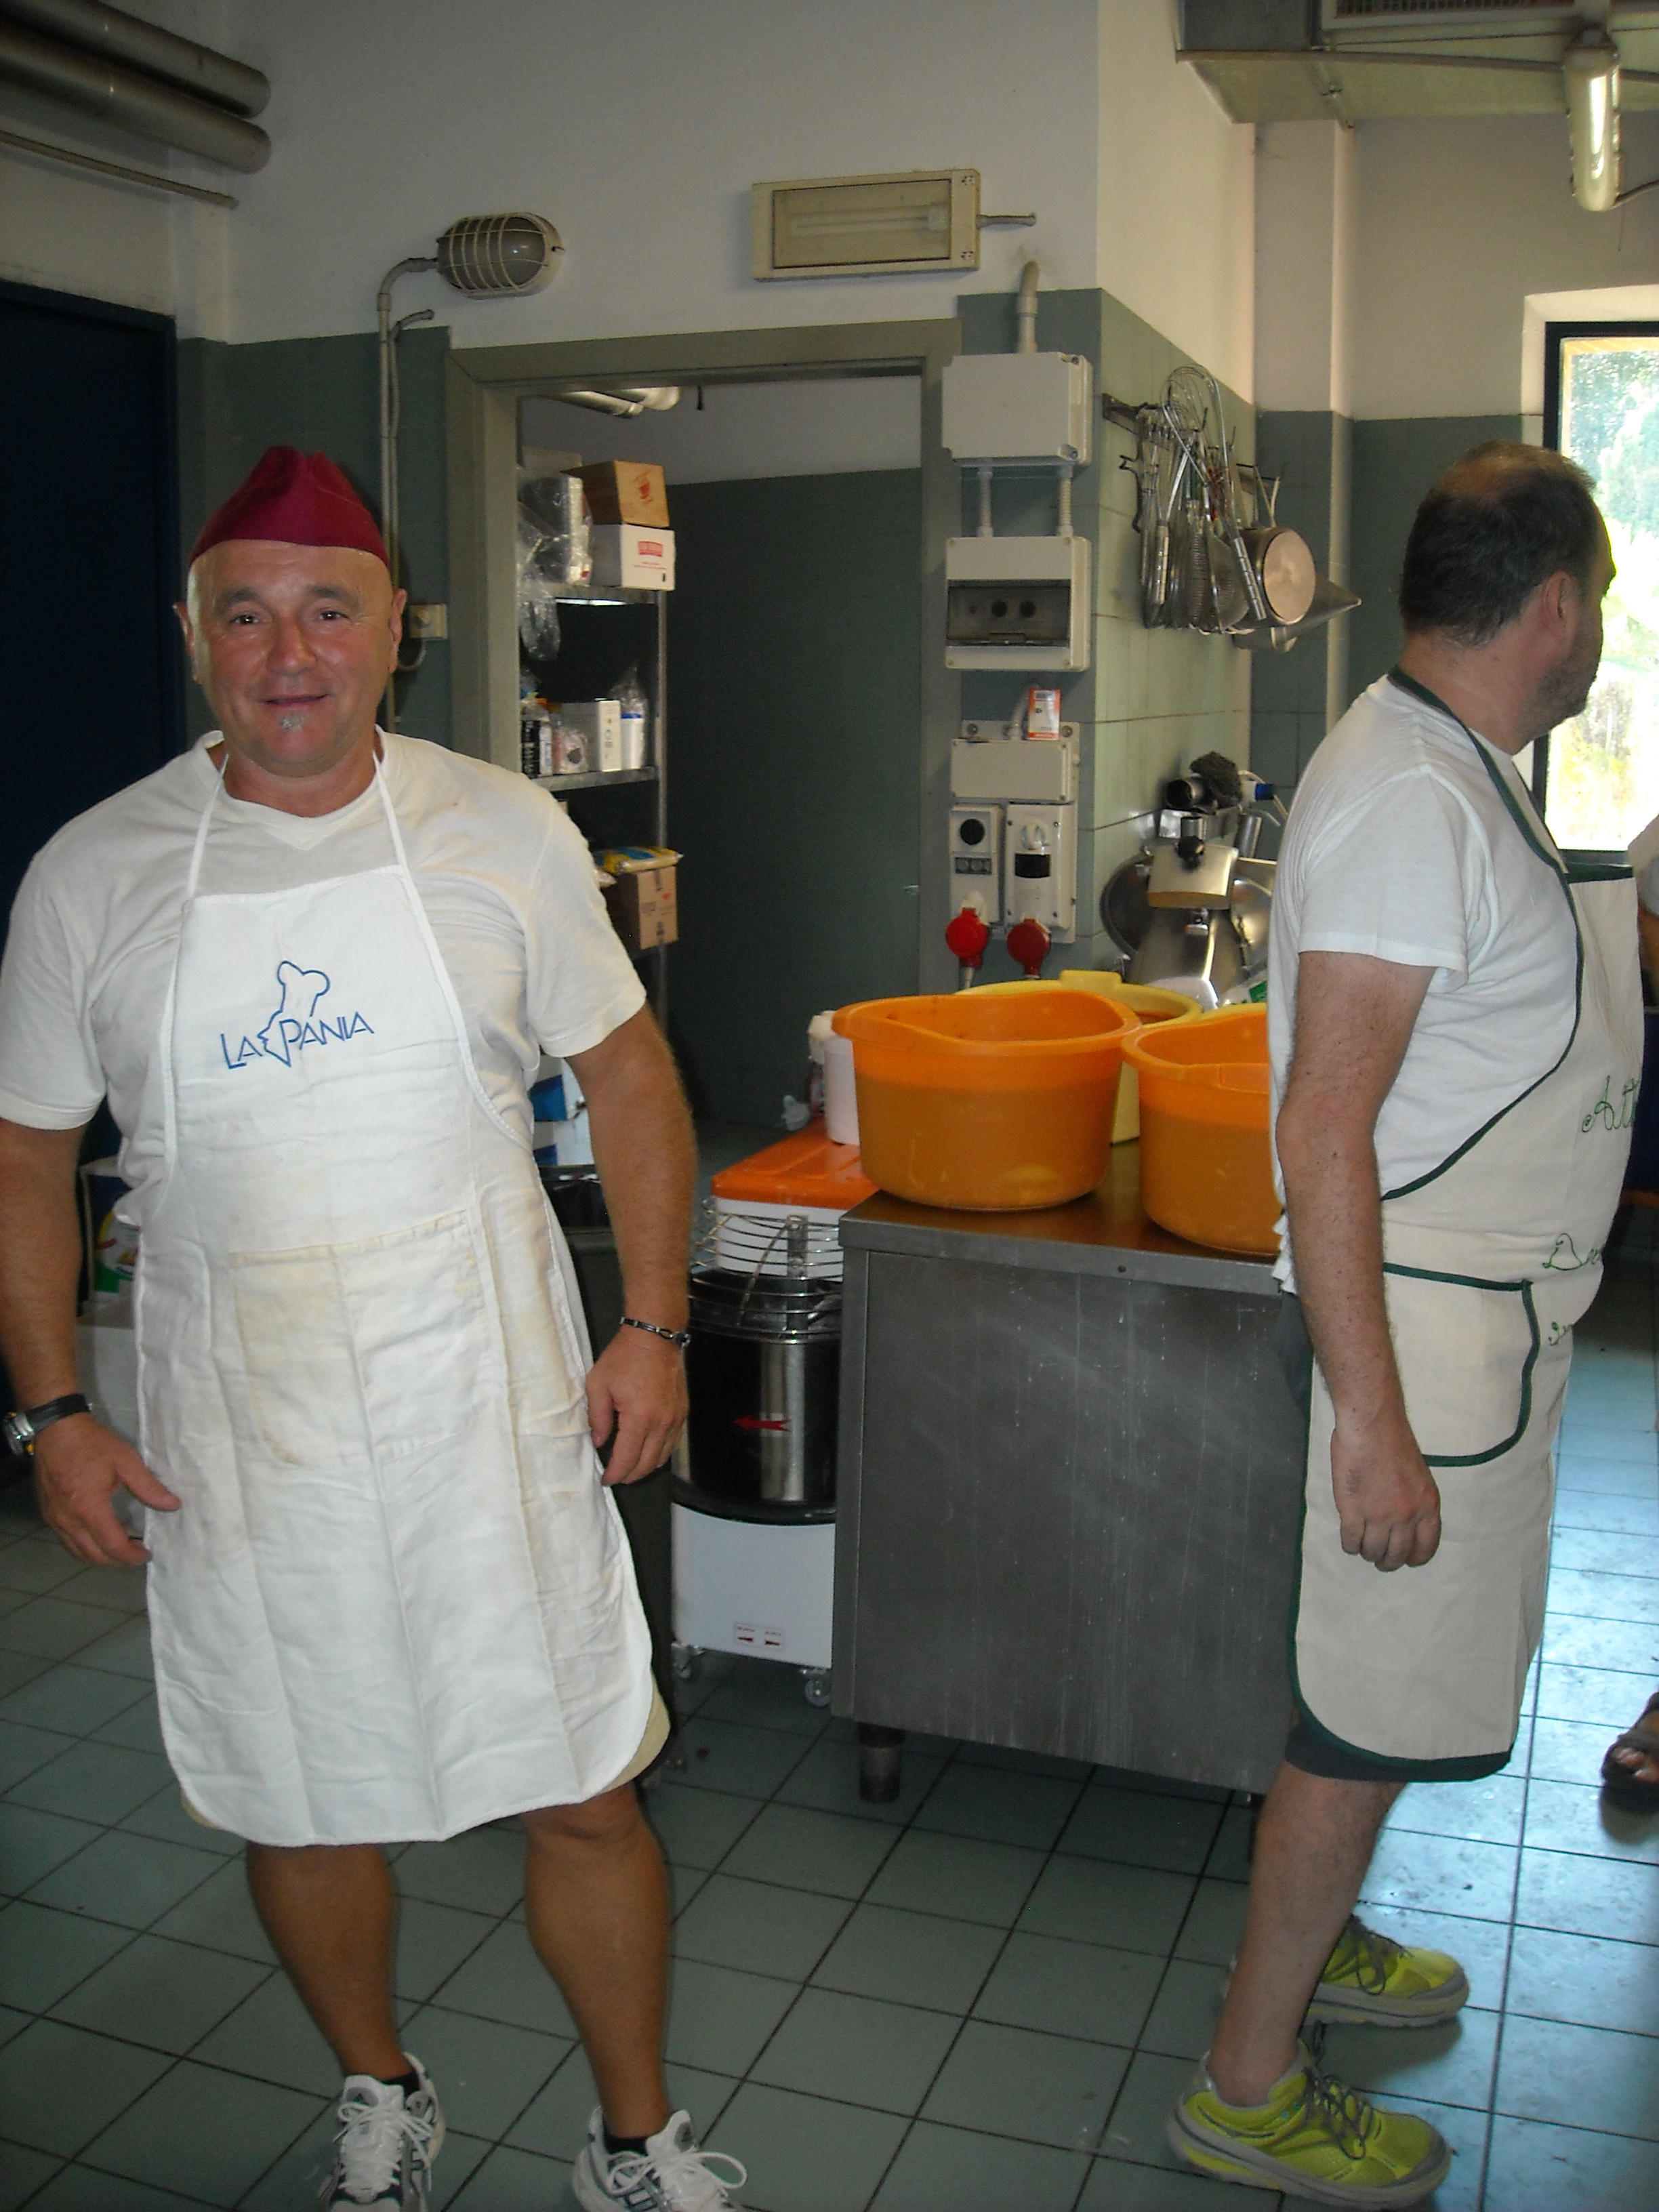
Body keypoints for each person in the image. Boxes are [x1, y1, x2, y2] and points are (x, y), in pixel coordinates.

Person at [0, 448, 745, 2212]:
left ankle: (631, 2138)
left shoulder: (506, 830)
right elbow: (26, 1156)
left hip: (484, 1401)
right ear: (194, 634)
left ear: (396, 628)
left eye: (328, 611)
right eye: (246, 617)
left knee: (582, 1783)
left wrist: (654, 1324)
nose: (289, 656)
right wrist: (54, 1412)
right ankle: (380, 2087)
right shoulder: (93, 875)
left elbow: (630, 1075)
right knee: (297, 1792)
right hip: (239, 1427)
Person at [1169, 443, 1636, 2204]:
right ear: (1554, 606)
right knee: (1363, 1717)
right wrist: (1373, 1422)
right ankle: (1247, 2086)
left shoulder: (1456, 766)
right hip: (1421, 1343)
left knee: (1381, 1683)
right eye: (1603, 603)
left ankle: (1325, 1938)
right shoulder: (1412, 801)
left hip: (1464, 1329)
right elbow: (1325, 1133)